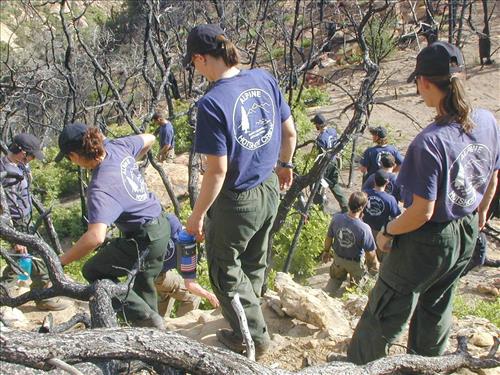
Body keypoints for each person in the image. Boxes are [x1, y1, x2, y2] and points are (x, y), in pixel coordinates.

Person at [347, 41, 499, 364]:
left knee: (385, 309)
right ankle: (426, 367)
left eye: (418, 83)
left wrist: (387, 230)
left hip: (429, 239)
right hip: (465, 231)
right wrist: (480, 213)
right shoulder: (487, 121)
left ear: (425, 82)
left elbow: (421, 211)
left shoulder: (429, 143)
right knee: (437, 305)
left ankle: (359, 367)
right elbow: (494, 175)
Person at [183, 24, 297, 358]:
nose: (196, 69)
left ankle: (252, 339)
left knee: (224, 273)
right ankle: (253, 316)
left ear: (202, 58)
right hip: (269, 188)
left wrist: (197, 216)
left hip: (237, 201)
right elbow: (289, 132)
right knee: (254, 259)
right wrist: (284, 166)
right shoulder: (263, 78)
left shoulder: (212, 103)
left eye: (194, 63)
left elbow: (217, 171)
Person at [56, 123, 170, 329]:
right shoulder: (118, 146)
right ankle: (151, 325)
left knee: (93, 270)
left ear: (74, 155)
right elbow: (150, 138)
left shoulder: (100, 187)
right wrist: (130, 164)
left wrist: (62, 261)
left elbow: (96, 237)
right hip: (161, 226)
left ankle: (146, 321)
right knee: (143, 284)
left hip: (144, 238)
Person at [0, 134, 69, 311]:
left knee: (33, 258)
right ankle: (37, 297)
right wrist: (15, 237)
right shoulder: (5, 173)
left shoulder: (20, 166)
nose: (32, 159)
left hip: (26, 222)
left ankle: (42, 295)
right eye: (31, 155)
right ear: (21, 152)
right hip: (15, 224)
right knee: (20, 263)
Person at [155, 213, 219, 317]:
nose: (203, 240)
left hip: (139, 271)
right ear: (201, 233)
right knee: (193, 296)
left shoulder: (172, 221)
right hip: (155, 276)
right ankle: (180, 327)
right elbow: (190, 285)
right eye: (204, 236)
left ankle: (158, 322)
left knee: (167, 288)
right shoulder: (188, 251)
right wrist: (209, 296)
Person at [322, 192, 379, 295]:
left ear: (349, 203)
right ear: (362, 208)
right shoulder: (364, 228)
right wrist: (375, 265)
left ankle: (324, 298)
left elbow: (329, 238)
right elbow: (370, 254)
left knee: (333, 282)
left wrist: (326, 252)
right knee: (354, 290)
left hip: (338, 259)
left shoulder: (336, 218)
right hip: (355, 263)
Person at [312, 113, 348, 213]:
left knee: (316, 187)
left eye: (315, 124)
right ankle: (345, 206)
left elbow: (319, 157)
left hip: (325, 165)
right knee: (334, 185)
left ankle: (318, 210)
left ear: (318, 125)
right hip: (334, 161)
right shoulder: (332, 131)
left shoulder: (320, 139)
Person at [362, 170, 401, 261]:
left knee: (365, 254)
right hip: (381, 232)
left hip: (365, 229)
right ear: (387, 182)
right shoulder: (390, 199)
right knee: (380, 258)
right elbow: (396, 217)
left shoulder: (365, 194)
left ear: (374, 181)